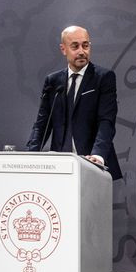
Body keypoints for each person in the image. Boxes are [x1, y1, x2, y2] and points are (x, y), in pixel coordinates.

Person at [26, 25, 122, 180]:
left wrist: (97, 156)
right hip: (60, 166)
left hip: (92, 165)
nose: (81, 51)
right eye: (75, 46)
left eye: (85, 45)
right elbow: (42, 124)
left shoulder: (104, 78)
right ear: (63, 49)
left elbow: (107, 121)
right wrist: (31, 156)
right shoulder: (53, 81)